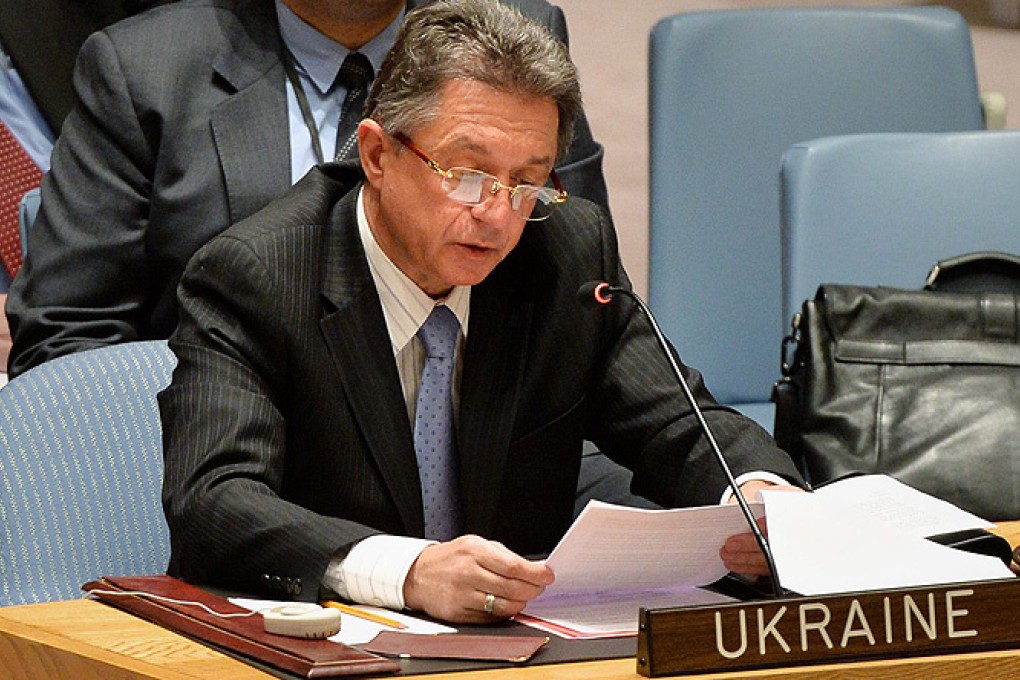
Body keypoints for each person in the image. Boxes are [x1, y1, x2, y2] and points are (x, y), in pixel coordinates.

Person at [160, 0, 805, 625]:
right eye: (468, 174)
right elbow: (215, 501)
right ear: (378, 155)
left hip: (524, 647)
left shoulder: (566, 255)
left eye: (527, 182)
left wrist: (756, 493)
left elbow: (677, 422)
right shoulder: (256, 276)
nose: (498, 216)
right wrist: (410, 571)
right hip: (334, 644)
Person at [4, 0, 606, 376]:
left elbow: (582, 308)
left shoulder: (513, 43)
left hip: (462, 456)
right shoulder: (144, 68)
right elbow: (66, 346)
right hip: (212, 477)